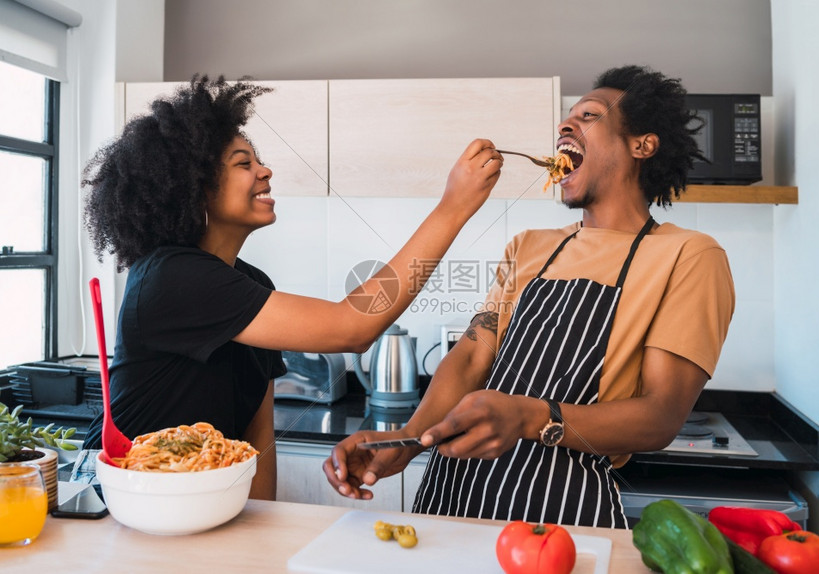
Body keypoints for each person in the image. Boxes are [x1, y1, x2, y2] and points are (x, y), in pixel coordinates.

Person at [323, 65, 735, 528]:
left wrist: (529, 417)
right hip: (454, 493)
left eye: (589, 115)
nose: (565, 124)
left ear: (642, 144)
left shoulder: (688, 255)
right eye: (566, 118)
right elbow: (471, 356)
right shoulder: (530, 245)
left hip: (563, 511)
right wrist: (410, 437)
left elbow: (661, 416)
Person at [79, 75, 502, 500]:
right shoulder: (172, 276)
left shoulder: (251, 284)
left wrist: (266, 540)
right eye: (244, 163)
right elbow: (351, 328)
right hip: (124, 501)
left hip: (198, 506)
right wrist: (453, 207)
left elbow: (257, 440)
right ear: (197, 188)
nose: (266, 171)